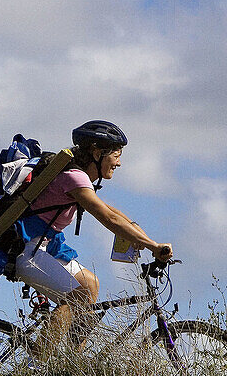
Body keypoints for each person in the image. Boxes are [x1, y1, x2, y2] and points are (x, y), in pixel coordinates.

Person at [10, 120, 173, 353]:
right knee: (76, 297)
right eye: (116, 155)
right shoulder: (74, 178)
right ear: (97, 153)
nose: (119, 162)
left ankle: (75, 364)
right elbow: (109, 218)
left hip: (46, 246)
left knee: (89, 285)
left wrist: (149, 241)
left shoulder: (77, 178)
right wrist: (151, 246)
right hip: (26, 248)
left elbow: (115, 213)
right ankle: (36, 367)